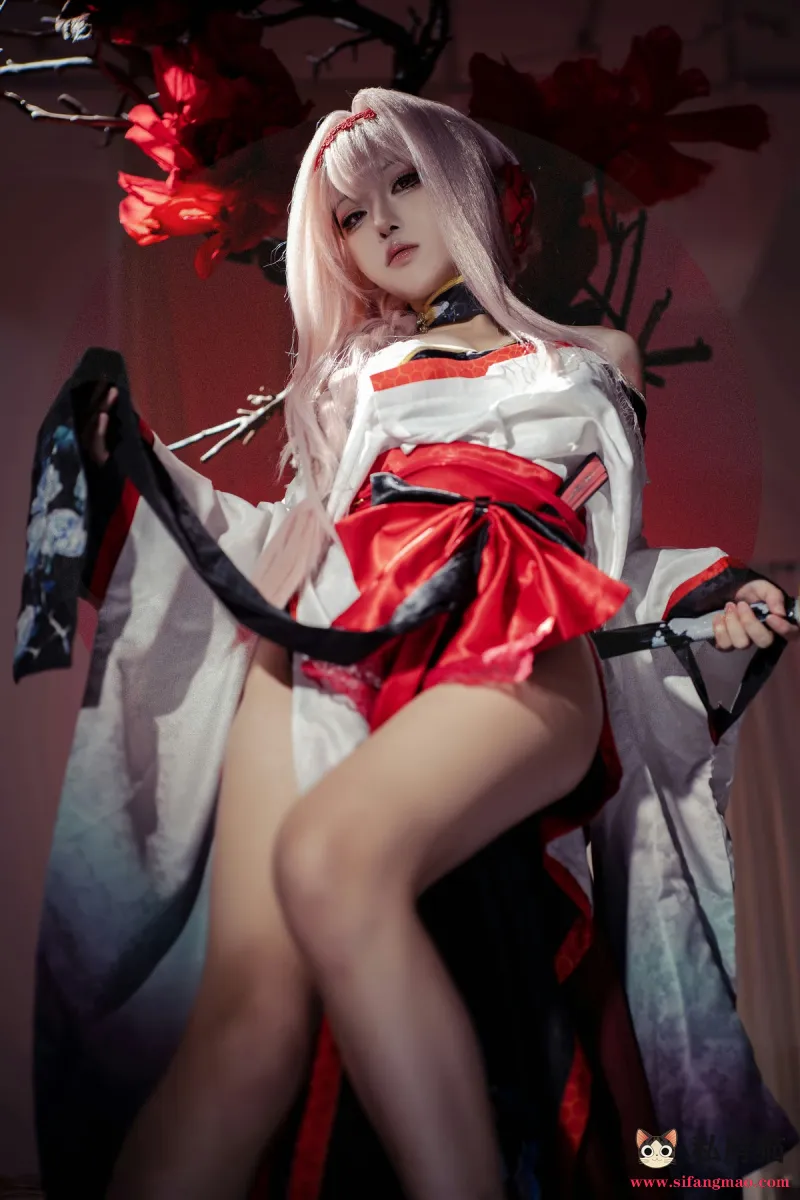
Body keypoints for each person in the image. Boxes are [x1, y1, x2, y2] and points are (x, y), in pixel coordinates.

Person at [17, 88, 797, 1200]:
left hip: (515, 616)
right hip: (331, 628)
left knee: (333, 863)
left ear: (471, 186)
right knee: (245, 1025)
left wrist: (717, 594)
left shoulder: (592, 353)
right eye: (347, 214)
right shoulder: (346, 377)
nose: (378, 221)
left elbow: (608, 554)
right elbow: (289, 540)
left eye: (404, 182)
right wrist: (137, 473)